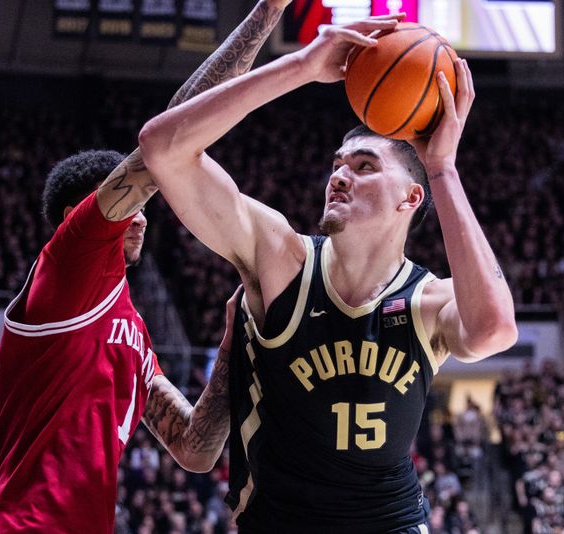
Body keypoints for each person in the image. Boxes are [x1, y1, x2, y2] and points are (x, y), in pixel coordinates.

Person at [139, 15, 517, 532]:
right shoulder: (280, 257)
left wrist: (443, 169)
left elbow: (494, 329)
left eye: (364, 167)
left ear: (411, 197)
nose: (340, 174)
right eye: (338, 164)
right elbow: (163, 149)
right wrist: (299, 66)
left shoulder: (426, 302)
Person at [0, 1, 290, 532]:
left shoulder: (133, 331)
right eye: (129, 207)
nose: (141, 218)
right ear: (80, 218)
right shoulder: (70, 266)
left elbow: (195, 448)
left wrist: (236, 345)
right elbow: (169, 139)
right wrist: (267, 14)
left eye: (142, 209)